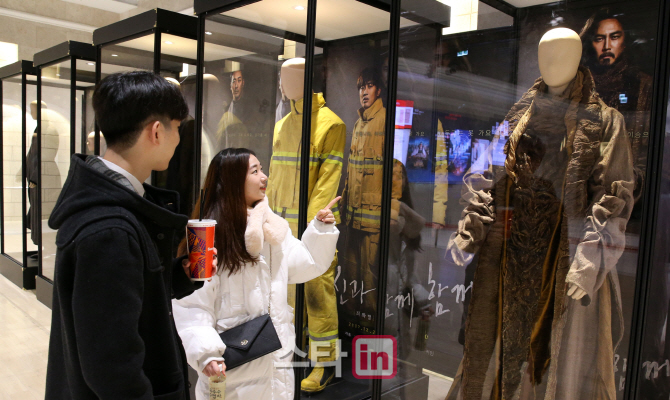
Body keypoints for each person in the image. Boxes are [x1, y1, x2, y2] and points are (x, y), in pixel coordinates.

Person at [45, 71, 213, 400]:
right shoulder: (110, 230)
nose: (179, 139)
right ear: (156, 132)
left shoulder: (118, 205)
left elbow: (132, 298)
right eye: (177, 128)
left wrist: (184, 274)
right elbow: (112, 367)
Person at [172, 148, 340, 400]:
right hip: (233, 371)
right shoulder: (205, 237)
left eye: (262, 169)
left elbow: (307, 263)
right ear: (232, 180)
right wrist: (206, 353)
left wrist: (320, 229)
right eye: (255, 171)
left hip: (277, 367)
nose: (265, 177)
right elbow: (192, 305)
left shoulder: (272, 229)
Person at [340, 67, 398, 326]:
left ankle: (370, 328)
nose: (364, 92)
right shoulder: (358, 123)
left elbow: (395, 172)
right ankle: (352, 326)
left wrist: (393, 214)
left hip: (374, 221)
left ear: (379, 90)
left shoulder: (385, 120)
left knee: (370, 276)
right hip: (353, 218)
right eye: (361, 87)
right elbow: (351, 172)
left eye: (369, 86)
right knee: (351, 274)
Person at [580, 8, 652, 202]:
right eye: (599, 38)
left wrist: (630, 183)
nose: (606, 46)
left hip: (625, 194)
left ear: (624, 42)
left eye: (614, 37)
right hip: (578, 188)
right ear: (591, 43)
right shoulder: (580, 86)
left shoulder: (643, 86)